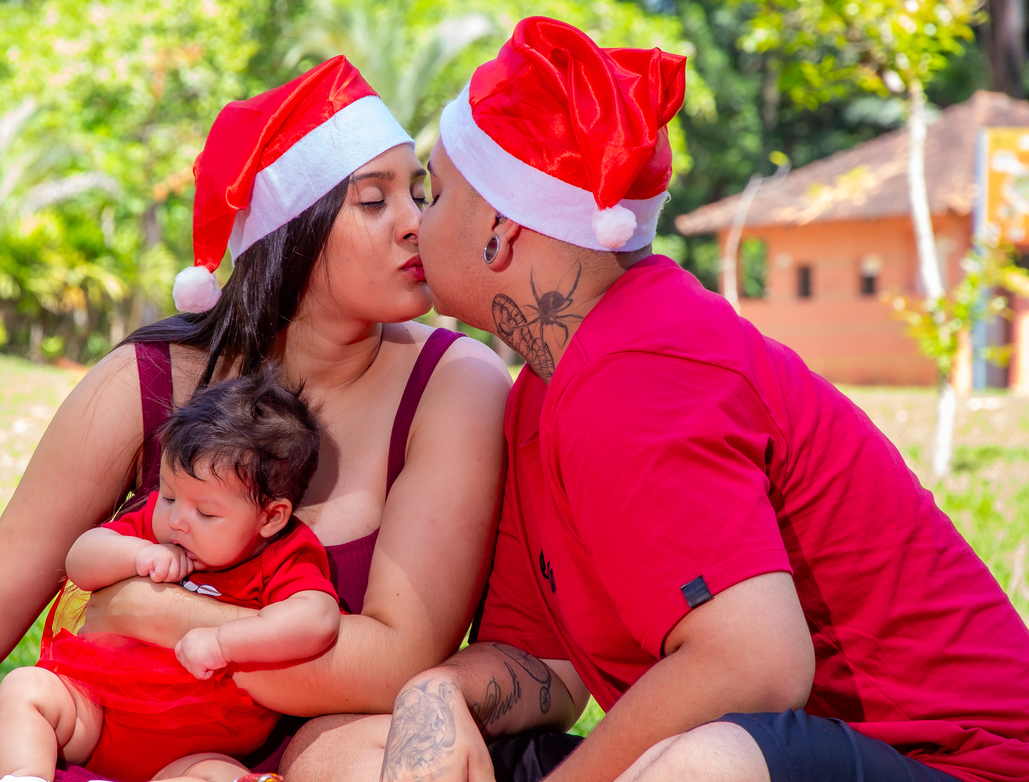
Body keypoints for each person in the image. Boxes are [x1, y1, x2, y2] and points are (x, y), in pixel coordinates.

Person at [287, 17, 1029, 782]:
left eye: (435, 194)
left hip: (958, 766)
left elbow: (755, 667)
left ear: (500, 227)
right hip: (780, 749)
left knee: (707, 764)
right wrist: (437, 691)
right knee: (342, 747)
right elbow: (545, 665)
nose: (416, 225)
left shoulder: (636, 368)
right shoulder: (545, 388)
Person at [0, 55, 512, 782]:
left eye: (418, 193)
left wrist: (151, 612)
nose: (416, 224)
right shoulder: (154, 379)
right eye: (374, 201)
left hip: (286, 761)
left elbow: (395, 662)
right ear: (289, 231)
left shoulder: (452, 383)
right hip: (93, 733)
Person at [0, 372, 339, 782]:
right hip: (96, 710)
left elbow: (316, 618)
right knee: (25, 688)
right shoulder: (155, 532)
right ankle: (24, 775)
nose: (176, 520)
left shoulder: (283, 554)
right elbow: (80, 559)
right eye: (169, 495)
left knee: (213, 774)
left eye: (206, 513)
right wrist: (137, 554)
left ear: (271, 517)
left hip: (197, 741)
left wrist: (222, 641)